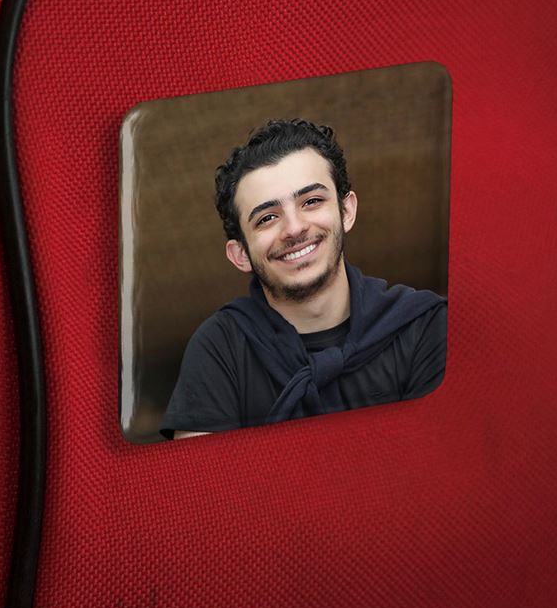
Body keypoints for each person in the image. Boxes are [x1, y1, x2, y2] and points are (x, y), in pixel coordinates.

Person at [159, 119, 446, 439]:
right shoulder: (220, 349)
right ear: (240, 254)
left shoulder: (426, 326)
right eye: (267, 218)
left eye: (311, 201)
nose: (294, 228)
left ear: (346, 211)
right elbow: (196, 470)